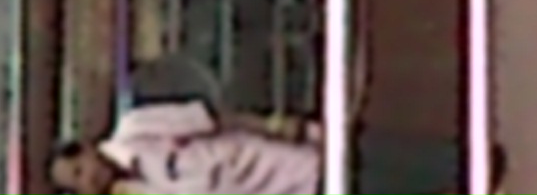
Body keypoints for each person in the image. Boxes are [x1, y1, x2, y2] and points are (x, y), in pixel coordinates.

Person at [51, 100, 491, 195]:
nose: (87, 179)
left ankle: (477, 165)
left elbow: (210, 118)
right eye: (78, 186)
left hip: (270, 158)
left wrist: (281, 125)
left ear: (85, 150)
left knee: (383, 162)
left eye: (78, 169)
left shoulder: (136, 129)